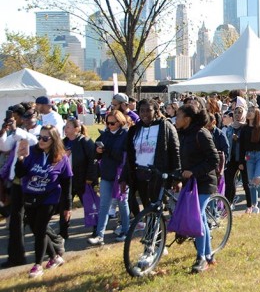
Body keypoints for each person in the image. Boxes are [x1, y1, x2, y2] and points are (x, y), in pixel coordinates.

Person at [15, 125, 71, 278]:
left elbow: (67, 183)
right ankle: (55, 257)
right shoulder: (32, 152)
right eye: (40, 137)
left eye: (45, 138)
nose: (41, 140)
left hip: (49, 198)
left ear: (53, 140)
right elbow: (20, 174)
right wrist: (20, 159)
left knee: (40, 230)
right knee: (36, 228)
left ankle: (37, 265)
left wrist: (68, 207)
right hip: (30, 196)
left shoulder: (61, 157)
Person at [175, 104, 220, 273]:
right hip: (189, 182)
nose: (175, 119)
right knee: (200, 219)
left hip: (204, 182)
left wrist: (193, 172)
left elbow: (214, 160)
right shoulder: (181, 134)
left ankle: (201, 258)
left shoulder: (201, 134)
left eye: (178, 116)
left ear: (187, 119)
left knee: (196, 217)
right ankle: (209, 255)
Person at [123, 98, 181, 215]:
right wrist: (124, 177)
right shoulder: (135, 129)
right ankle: (153, 230)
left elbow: (175, 151)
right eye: (141, 111)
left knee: (155, 206)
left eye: (148, 110)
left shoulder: (165, 126)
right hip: (139, 172)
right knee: (146, 207)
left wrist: (177, 177)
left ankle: (157, 231)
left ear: (155, 111)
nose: (144, 114)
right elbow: (129, 155)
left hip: (157, 173)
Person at [0, 105, 39, 269]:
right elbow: (4, 147)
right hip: (17, 180)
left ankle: (55, 247)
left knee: (35, 220)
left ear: (36, 116)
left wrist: (16, 130)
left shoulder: (41, 132)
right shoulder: (20, 131)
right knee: (16, 222)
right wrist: (3, 131)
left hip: (32, 181)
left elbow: (33, 141)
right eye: (24, 117)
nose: (27, 119)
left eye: (30, 116)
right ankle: (16, 257)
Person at [88, 110, 129, 245]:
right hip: (106, 173)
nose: (109, 125)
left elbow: (124, 156)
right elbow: (96, 152)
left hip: (121, 174)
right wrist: (98, 151)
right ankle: (100, 235)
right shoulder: (104, 135)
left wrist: (107, 151)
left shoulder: (125, 135)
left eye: (112, 123)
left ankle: (126, 230)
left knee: (122, 203)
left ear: (119, 122)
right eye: (107, 122)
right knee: (104, 204)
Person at [60, 117, 97, 239]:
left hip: (83, 179)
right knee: (65, 205)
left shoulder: (85, 141)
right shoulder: (63, 142)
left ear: (77, 129)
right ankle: (63, 232)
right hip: (67, 180)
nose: (66, 129)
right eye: (65, 127)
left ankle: (96, 229)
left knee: (88, 204)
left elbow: (93, 160)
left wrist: (90, 177)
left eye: (68, 127)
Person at [238, 107, 260, 213]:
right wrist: (241, 161)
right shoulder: (244, 129)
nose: (249, 113)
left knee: (257, 179)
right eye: (248, 111)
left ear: (257, 114)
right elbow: (242, 147)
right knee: (251, 182)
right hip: (249, 156)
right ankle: (254, 205)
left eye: (252, 112)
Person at [224, 105, 251, 211]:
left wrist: (238, 139)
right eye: (235, 112)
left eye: (240, 112)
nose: (237, 114)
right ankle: (228, 204)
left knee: (246, 183)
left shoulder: (246, 127)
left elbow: (247, 143)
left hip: (243, 158)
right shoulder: (230, 128)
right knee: (229, 182)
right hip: (231, 158)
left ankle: (250, 205)